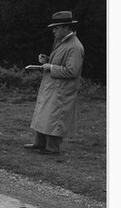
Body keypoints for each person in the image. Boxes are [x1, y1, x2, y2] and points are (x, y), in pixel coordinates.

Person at [24, 11, 85, 155]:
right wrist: (48, 60)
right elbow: (61, 61)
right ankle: (39, 143)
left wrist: (51, 67)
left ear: (66, 28)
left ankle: (52, 148)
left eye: (57, 28)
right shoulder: (62, 42)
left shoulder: (75, 47)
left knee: (55, 117)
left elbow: (72, 71)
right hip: (53, 86)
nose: (54, 31)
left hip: (62, 89)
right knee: (45, 115)